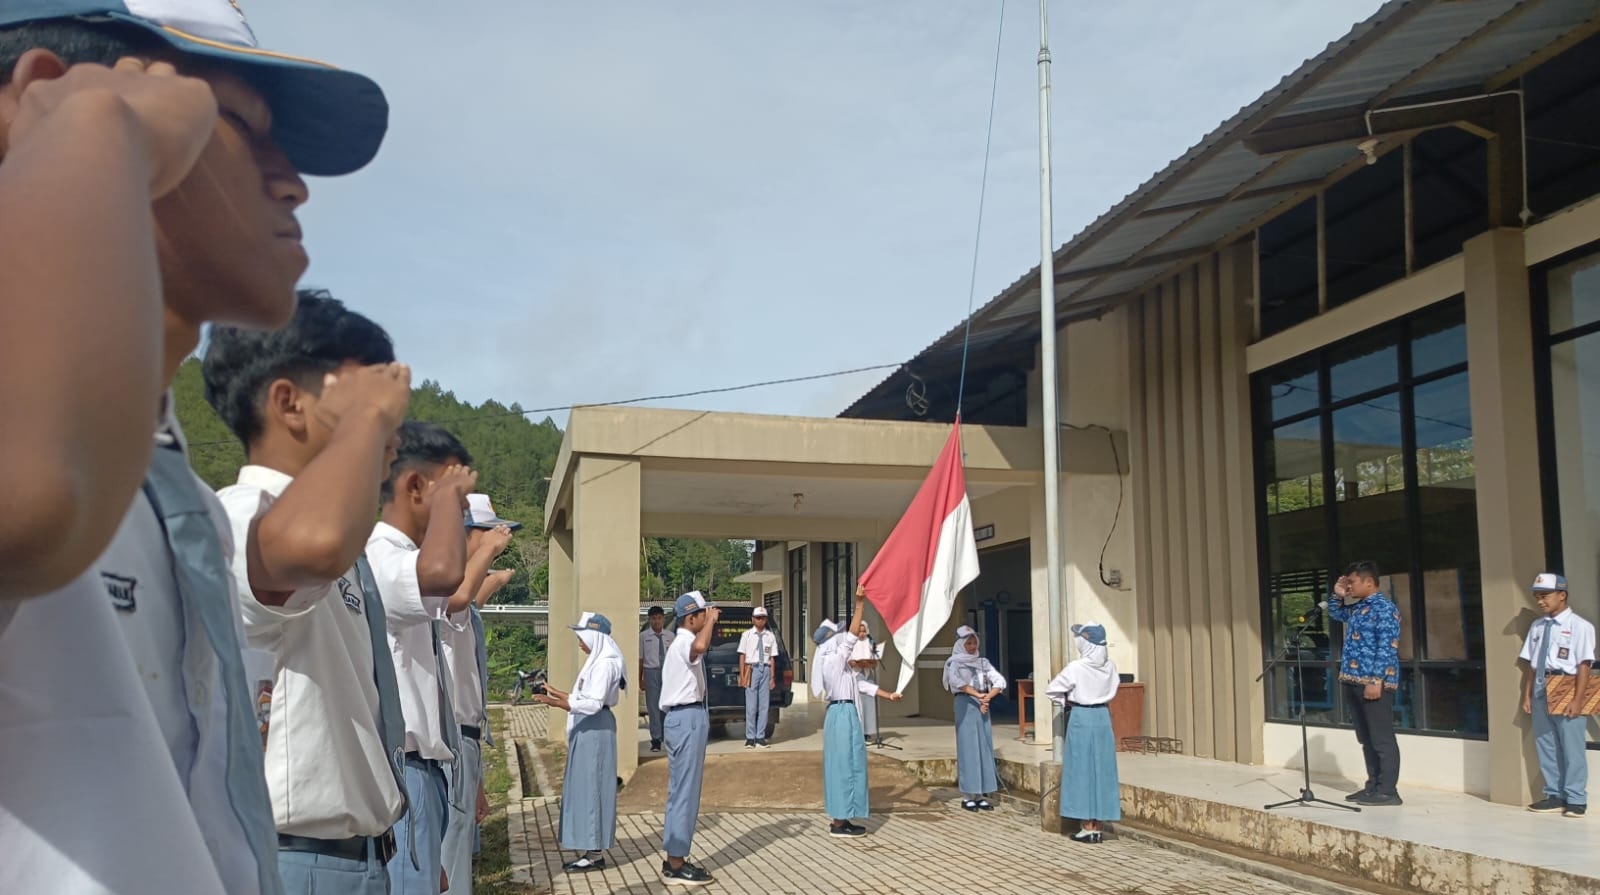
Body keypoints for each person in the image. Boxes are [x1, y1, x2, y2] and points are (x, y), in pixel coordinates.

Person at [1, 5, 385, 891]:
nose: (292, 185)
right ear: (51, 94)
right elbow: (28, 498)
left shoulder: (176, 497)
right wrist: (94, 128)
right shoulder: (49, 456)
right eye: (235, 125)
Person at [206, 293, 411, 894]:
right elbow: (314, 546)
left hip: (354, 859)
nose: (391, 431)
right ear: (289, 403)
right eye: (361, 396)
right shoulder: (241, 515)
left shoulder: (339, 542)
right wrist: (368, 424)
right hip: (295, 859)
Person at [368, 422, 484, 895]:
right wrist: (449, 496)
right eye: (457, 500)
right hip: (406, 769)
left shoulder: (400, 559)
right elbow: (445, 575)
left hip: (425, 773)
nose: (460, 514)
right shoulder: (381, 556)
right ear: (415, 487)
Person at [439, 495, 519, 895]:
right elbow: (461, 597)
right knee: (448, 855)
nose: (496, 541)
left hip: (465, 739)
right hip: (451, 739)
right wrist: (490, 559)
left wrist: (479, 782)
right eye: (487, 533)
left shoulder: (464, 603)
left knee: (456, 849)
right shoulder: (445, 591)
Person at [532, 611, 627, 872]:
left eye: (582, 637)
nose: (580, 642)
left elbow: (593, 704)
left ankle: (594, 854)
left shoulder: (605, 664)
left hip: (595, 728)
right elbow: (584, 697)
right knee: (585, 787)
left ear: (595, 636)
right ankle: (590, 849)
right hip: (589, 728)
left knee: (592, 787)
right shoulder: (597, 662)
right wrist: (556, 693)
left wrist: (555, 703)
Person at [816, 589, 904, 838]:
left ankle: (842, 818)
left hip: (843, 712)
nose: (843, 637)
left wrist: (889, 695)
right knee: (845, 766)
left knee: (847, 765)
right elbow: (853, 636)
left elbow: (863, 686)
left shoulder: (841, 667)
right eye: (837, 634)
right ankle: (839, 822)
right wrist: (859, 604)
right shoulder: (833, 661)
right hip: (842, 713)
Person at [658, 591, 720, 887]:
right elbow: (700, 647)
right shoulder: (684, 641)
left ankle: (675, 856)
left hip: (686, 717)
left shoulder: (680, 641)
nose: (707, 618)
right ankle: (676, 862)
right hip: (686, 717)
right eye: (703, 615)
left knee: (682, 790)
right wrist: (712, 622)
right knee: (685, 791)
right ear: (691, 618)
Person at [1328, 561, 1403, 807]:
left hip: (1374, 683)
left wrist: (1376, 679)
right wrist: (1337, 595)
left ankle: (1388, 790)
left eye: (1352, 582)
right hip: (1353, 681)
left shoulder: (1384, 609)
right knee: (1366, 738)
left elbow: (1388, 647)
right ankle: (1373, 786)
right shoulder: (1359, 608)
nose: (1349, 586)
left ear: (1369, 582)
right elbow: (1335, 613)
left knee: (1381, 738)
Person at [1520, 573, 1594, 818]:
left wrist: (1578, 699)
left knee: (1572, 746)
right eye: (1537, 597)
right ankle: (1554, 794)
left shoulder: (1580, 626)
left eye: (1545, 596)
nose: (1540, 601)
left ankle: (1576, 798)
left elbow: (1584, 665)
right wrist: (1528, 695)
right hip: (1541, 685)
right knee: (1546, 743)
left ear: (1562, 595)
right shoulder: (1537, 626)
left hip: (1567, 684)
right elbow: (1531, 664)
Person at [1045, 622, 1120, 843]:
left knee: (1081, 770)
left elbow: (1053, 690)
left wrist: (1067, 700)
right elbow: (1114, 688)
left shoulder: (1076, 667)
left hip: (1081, 716)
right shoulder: (1110, 666)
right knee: (1102, 770)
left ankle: (1087, 826)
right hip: (1103, 717)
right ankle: (1098, 826)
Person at [944, 625, 1006, 812]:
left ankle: (981, 794)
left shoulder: (983, 662)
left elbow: (999, 681)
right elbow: (957, 683)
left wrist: (988, 697)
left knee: (983, 747)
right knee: (968, 748)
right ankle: (968, 795)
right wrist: (977, 695)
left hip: (982, 705)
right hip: (965, 704)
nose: (972, 647)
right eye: (968, 643)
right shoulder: (954, 662)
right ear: (960, 644)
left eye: (974, 643)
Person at [738, 606, 779, 748]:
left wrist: (772, 677)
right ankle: (750, 737)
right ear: (753, 619)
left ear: (766, 619)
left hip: (765, 668)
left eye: (762, 618)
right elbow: (742, 655)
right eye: (757, 618)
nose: (760, 620)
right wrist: (742, 674)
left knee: (764, 706)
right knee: (751, 706)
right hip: (752, 668)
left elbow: (772, 657)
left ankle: (760, 736)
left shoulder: (770, 636)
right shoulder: (747, 635)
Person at [640, 605, 676, 752]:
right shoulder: (644, 637)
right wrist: (640, 678)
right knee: (653, 707)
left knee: (666, 706)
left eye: (659, 618)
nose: (657, 621)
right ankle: (655, 739)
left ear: (663, 619)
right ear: (650, 620)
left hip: (667, 672)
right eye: (654, 618)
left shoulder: (670, 636)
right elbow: (641, 659)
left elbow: (675, 658)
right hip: (651, 672)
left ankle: (667, 736)